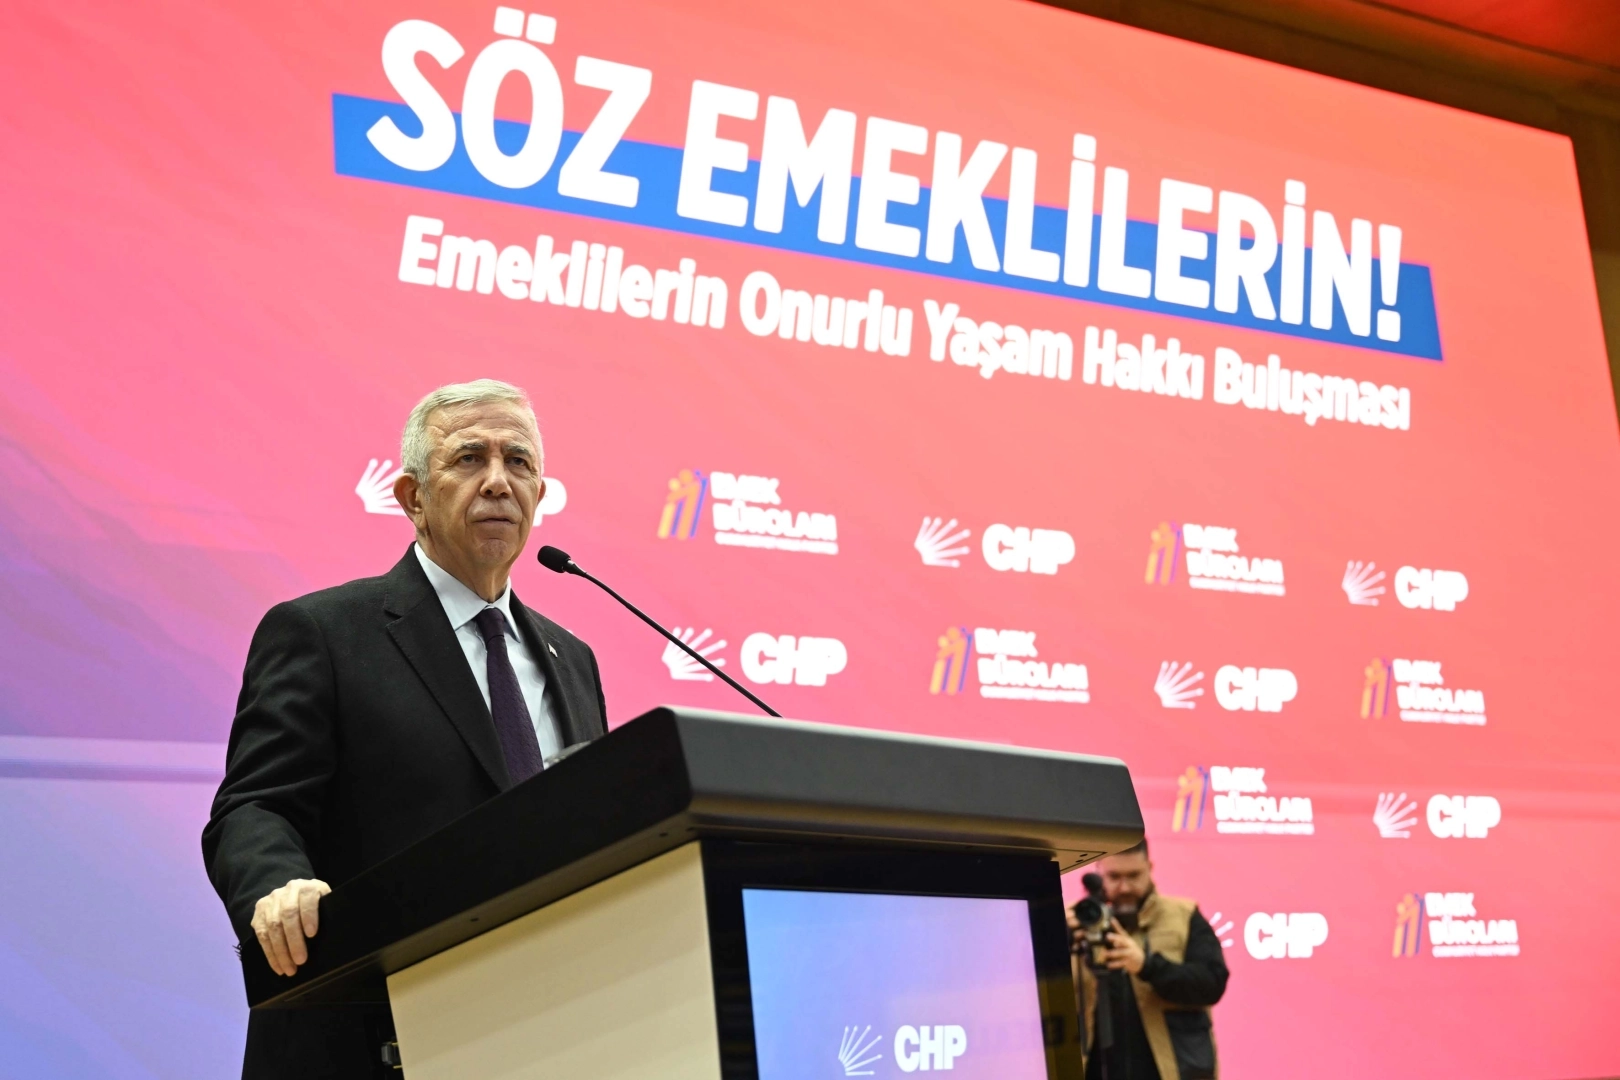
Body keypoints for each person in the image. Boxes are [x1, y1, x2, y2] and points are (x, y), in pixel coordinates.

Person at [202, 380, 608, 1079]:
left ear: (540, 494)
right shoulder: (324, 632)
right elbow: (255, 806)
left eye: (517, 461)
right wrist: (279, 887)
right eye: (469, 459)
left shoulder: (572, 659)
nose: (497, 481)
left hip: (541, 1031)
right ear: (412, 497)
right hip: (367, 1037)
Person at [1071, 839, 1229, 1080]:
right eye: (1114, 877)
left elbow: (1212, 983)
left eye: (1134, 876)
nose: (1125, 887)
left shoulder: (1183, 916)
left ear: (1150, 868)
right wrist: (1060, 938)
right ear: (1098, 873)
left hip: (1173, 1071)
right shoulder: (1075, 920)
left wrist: (1147, 966)